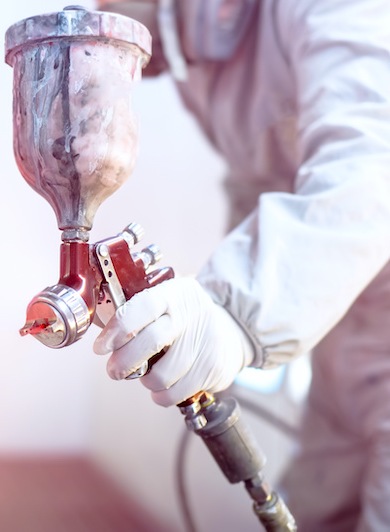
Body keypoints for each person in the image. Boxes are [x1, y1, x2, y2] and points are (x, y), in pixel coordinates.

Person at [91, 0, 390, 530]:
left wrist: (235, 311)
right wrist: (207, 311)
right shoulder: (197, 49)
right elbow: (262, 176)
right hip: (346, 335)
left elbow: (371, 165)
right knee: (320, 509)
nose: (100, 10)